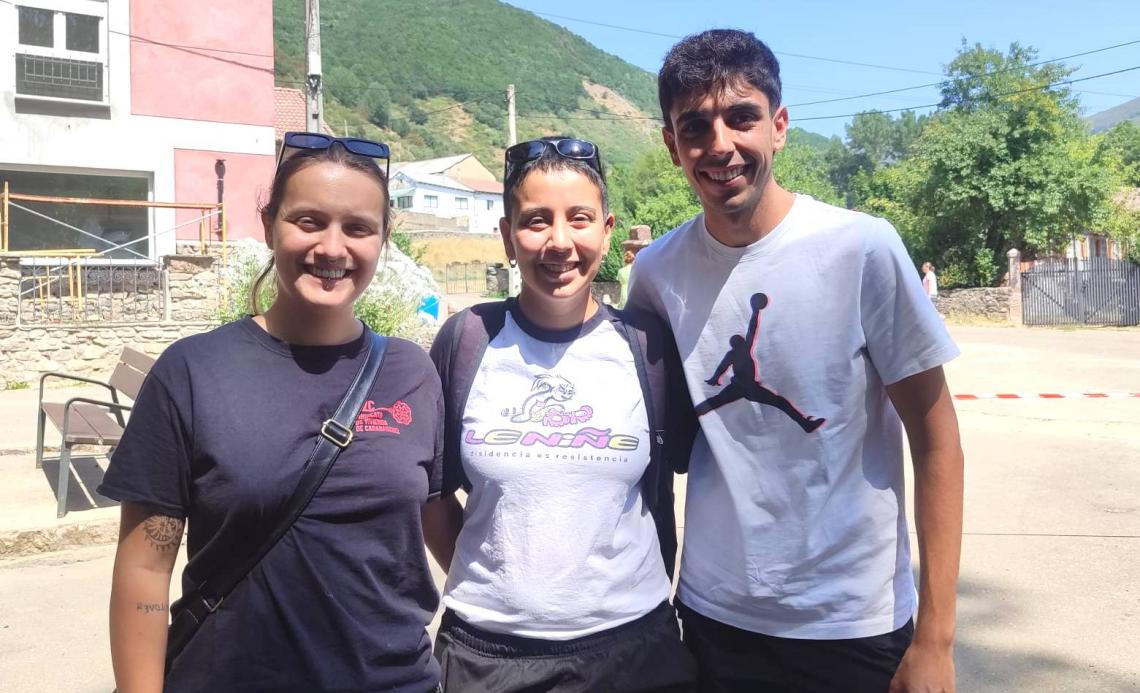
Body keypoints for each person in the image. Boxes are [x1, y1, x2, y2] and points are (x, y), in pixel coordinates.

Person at [627, 30, 965, 692]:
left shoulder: (861, 249)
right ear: (672, 145)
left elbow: (938, 440)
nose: (720, 143)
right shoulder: (656, 273)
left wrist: (936, 637)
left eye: (742, 117)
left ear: (779, 126)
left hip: (852, 625)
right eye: (695, 125)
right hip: (713, 617)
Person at [98, 133, 445, 692]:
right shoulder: (192, 372)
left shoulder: (412, 373)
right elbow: (144, 569)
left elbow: (434, 520)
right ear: (268, 226)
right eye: (308, 221)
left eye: (358, 228)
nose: (332, 248)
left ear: (383, 240)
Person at [422, 136, 698, 692]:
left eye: (579, 219)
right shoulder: (468, 339)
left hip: (634, 654)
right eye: (535, 221)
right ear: (507, 236)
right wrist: (500, 590)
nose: (559, 242)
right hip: (486, 657)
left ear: (607, 227)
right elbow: (431, 493)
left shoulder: (649, 348)